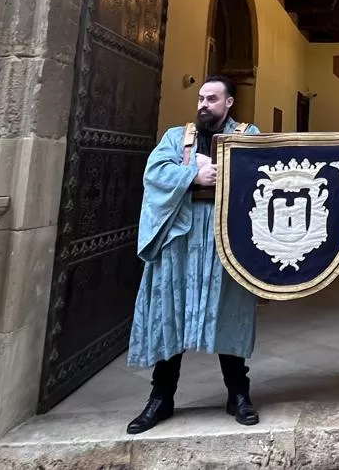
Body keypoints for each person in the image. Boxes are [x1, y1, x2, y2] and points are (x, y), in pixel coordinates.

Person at [126, 75, 261, 434]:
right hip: (180, 242)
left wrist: (224, 174)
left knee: (228, 313)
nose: (203, 104)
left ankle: (238, 394)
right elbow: (154, 173)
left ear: (229, 102)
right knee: (171, 313)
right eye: (201, 97)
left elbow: (259, 176)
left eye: (212, 98)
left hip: (225, 242)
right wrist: (194, 175)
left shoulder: (247, 135)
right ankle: (161, 398)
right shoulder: (176, 137)